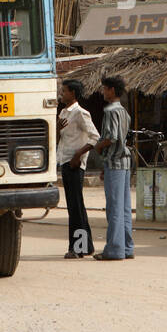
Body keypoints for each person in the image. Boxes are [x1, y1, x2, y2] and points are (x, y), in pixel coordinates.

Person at [92, 75, 134, 261]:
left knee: (114, 208)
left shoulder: (110, 111)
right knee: (124, 208)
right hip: (124, 163)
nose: (103, 92)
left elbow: (112, 137)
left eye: (104, 88)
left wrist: (98, 146)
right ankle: (127, 247)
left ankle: (114, 249)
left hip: (115, 163)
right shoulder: (124, 112)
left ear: (111, 90)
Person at [56, 79, 99, 258]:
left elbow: (95, 137)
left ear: (73, 93)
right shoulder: (64, 112)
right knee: (74, 207)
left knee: (76, 207)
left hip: (74, 165)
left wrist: (78, 155)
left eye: (64, 91)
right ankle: (84, 246)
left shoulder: (81, 113)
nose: (62, 94)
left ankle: (78, 248)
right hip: (64, 162)